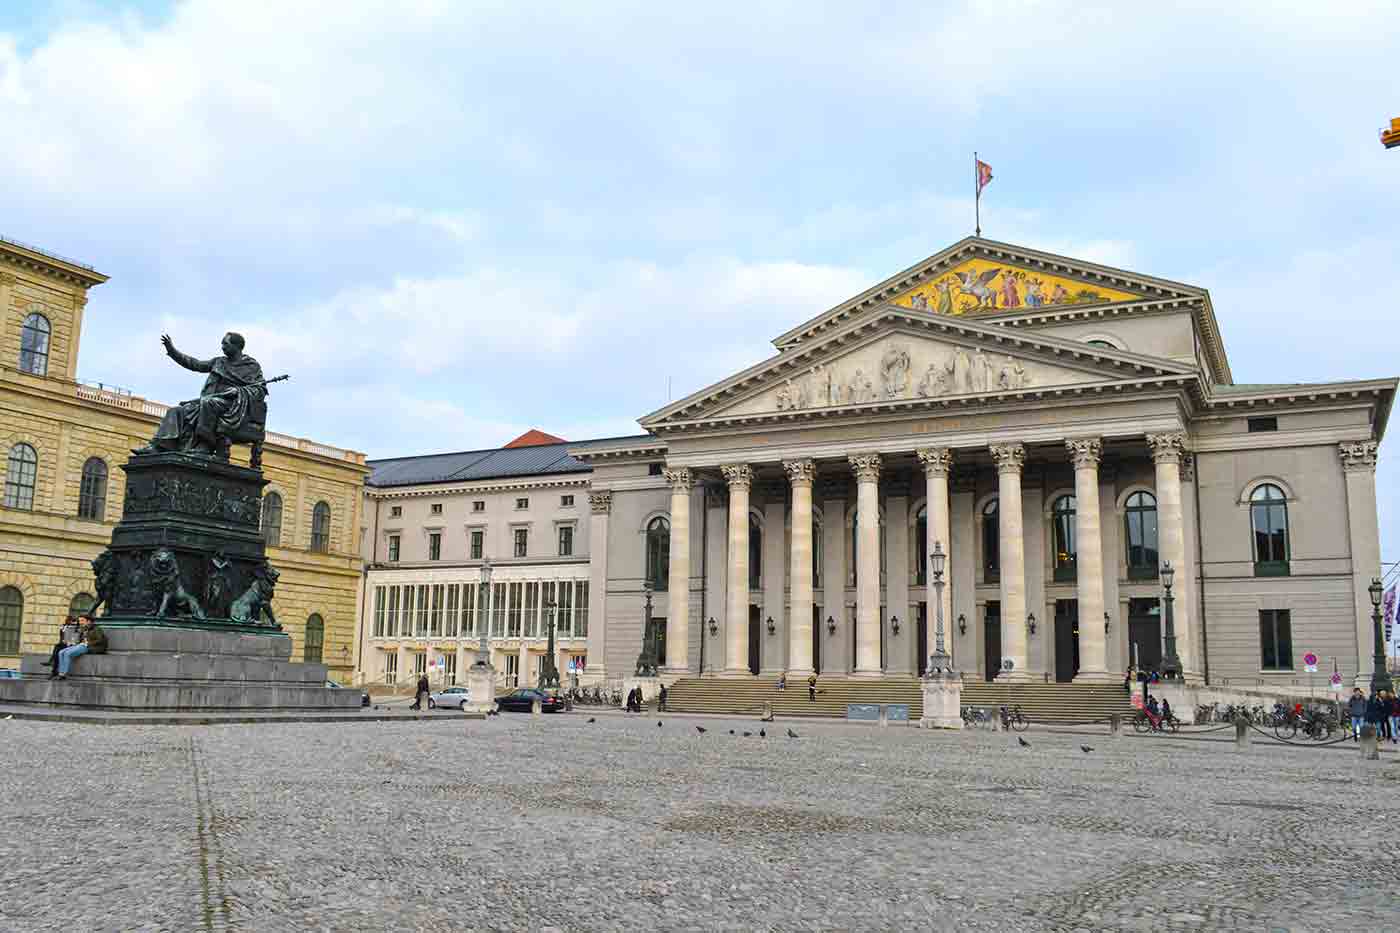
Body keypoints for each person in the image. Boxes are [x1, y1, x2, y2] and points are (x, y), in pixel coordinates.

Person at [55, 615, 106, 679]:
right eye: (79, 621)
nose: (80, 622)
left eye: (82, 620)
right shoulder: (83, 629)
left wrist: (88, 643)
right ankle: (60, 672)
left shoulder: (97, 629)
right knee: (61, 652)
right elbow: (80, 640)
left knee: (67, 653)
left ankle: (63, 674)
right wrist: (73, 643)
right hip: (82, 645)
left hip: (92, 647)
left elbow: (100, 640)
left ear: (89, 621)